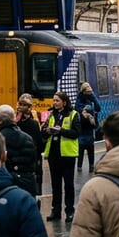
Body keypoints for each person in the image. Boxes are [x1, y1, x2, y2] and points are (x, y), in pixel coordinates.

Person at [43, 91, 81, 223]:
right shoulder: (51, 114)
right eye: (53, 100)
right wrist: (47, 131)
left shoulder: (73, 114)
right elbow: (43, 130)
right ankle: (56, 210)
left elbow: (76, 133)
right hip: (54, 154)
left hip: (67, 155)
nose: (54, 103)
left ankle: (70, 211)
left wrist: (61, 131)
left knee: (69, 185)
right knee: (55, 184)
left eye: (57, 101)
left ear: (64, 102)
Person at [0, 105, 38, 195]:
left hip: (5, 185)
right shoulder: (27, 138)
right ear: (14, 118)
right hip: (27, 184)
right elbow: (32, 161)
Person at [16, 95, 44, 196]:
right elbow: (40, 144)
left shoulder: (14, 123)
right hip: (31, 162)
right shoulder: (33, 123)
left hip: (18, 164)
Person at [75, 82, 101, 172]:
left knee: (91, 148)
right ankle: (79, 166)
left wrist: (93, 97)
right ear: (84, 91)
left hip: (90, 126)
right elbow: (78, 108)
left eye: (91, 92)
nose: (90, 93)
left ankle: (91, 166)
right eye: (88, 92)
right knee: (81, 148)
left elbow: (98, 108)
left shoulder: (91, 97)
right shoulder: (79, 98)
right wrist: (87, 109)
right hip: (82, 126)